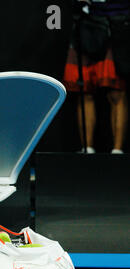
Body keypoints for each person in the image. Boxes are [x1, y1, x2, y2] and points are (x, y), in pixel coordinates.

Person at [63, 0, 129, 154]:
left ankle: (117, 152)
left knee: (116, 91)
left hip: (119, 21)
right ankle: (87, 149)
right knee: (84, 90)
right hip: (87, 23)